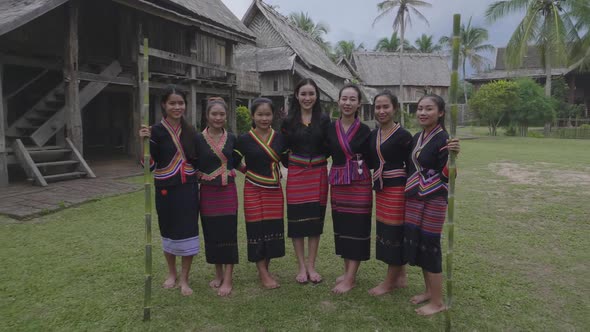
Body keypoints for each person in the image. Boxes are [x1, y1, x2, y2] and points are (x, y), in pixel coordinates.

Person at [138, 86, 199, 296]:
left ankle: (185, 278)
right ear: (164, 104)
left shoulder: (192, 131)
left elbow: (199, 160)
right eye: (172, 103)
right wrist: (143, 142)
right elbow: (149, 166)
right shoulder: (154, 131)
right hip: (165, 189)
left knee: (188, 231)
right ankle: (171, 273)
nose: (177, 107)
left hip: (188, 188)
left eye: (180, 103)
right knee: (169, 230)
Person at [404, 94, 460, 315]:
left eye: (428, 109)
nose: (422, 113)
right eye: (419, 109)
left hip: (434, 199)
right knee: (419, 243)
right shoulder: (418, 136)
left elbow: (448, 176)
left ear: (441, 113)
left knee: (430, 245)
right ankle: (429, 291)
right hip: (415, 196)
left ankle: (438, 302)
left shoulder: (445, 140)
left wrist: (453, 158)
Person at [280, 78, 330, 284]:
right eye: (303, 94)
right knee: (297, 221)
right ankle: (301, 266)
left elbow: (329, 146)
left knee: (314, 221)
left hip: (318, 174)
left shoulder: (325, 120)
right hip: (297, 176)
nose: (307, 98)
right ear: (297, 96)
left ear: (317, 96)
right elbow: (282, 149)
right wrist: (295, 162)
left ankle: (311, 265)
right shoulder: (288, 121)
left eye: (311, 94)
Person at [234, 98, 288, 289]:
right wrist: (245, 171)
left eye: (267, 114)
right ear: (253, 116)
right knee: (256, 228)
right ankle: (263, 273)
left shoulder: (281, 138)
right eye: (260, 114)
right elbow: (233, 159)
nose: (264, 118)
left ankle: (265, 268)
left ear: (273, 116)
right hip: (253, 188)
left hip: (274, 190)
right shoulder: (244, 139)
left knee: (272, 228)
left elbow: (288, 161)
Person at [327, 84, 373, 294]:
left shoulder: (365, 130)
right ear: (338, 101)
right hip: (338, 183)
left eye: (352, 99)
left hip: (359, 183)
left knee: (357, 227)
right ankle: (347, 272)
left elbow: (375, 157)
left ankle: (351, 278)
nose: (347, 103)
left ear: (358, 104)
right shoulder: (330, 128)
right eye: (344, 99)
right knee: (343, 227)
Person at [367, 91, 413, 296]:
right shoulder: (373, 135)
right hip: (381, 188)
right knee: (386, 230)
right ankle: (400, 274)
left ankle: (388, 282)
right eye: (378, 107)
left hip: (398, 189)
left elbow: (413, 164)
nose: (381, 111)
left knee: (394, 231)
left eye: (386, 107)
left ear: (394, 108)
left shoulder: (403, 136)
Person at [196, 98, 240, 297]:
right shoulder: (198, 139)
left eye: (222, 114)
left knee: (228, 231)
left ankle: (229, 278)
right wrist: (200, 175)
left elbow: (237, 162)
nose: (218, 118)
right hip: (207, 192)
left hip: (227, 191)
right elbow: (191, 163)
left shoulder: (232, 138)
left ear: (226, 116)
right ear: (207, 116)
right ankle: (218, 273)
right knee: (212, 232)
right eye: (214, 114)